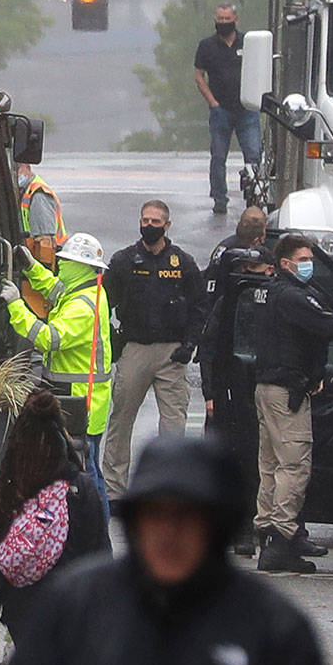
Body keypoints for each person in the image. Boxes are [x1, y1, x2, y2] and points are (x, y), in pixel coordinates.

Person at [0, 435, 333, 665]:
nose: (169, 533)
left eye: (186, 518)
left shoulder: (273, 629)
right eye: (155, 516)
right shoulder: (80, 603)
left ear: (217, 526)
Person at [0, 390, 109, 650]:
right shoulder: (79, 488)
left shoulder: (6, 489)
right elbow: (100, 552)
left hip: (23, 608)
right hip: (71, 606)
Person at [254, 234, 333, 573]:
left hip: (271, 388)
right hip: (286, 392)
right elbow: (327, 325)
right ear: (285, 263)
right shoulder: (293, 296)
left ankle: (273, 531)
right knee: (294, 467)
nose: (308, 263)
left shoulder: (275, 290)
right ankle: (282, 538)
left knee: (271, 465)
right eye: (303, 258)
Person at [2, 232, 114, 517]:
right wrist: (30, 267)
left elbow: (48, 338)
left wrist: (16, 305)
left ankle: (99, 534)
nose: (61, 264)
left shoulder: (82, 307)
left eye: (67, 260)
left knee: (88, 476)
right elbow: (55, 289)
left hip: (81, 402)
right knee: (89, 471)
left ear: (82, 266)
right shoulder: (86, 290)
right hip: (82, 399)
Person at [100, 200, 204, 505]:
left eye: (155, 221)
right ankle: (114, 492)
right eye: (144, 220)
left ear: (167, 226)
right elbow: (102, 305)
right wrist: (113, 341)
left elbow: (200, 308)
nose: (148, 225)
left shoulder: (182, 263)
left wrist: (189, 345)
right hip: (135, 349)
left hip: (172, 354)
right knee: (120, 422)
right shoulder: (123, 261)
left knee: (174, 425)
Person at [199, 244, 274, 557]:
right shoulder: (230, 302)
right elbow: (210, 347)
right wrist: (211, 393)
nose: (251, 276)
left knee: (258, 463)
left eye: (255, 270)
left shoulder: (274, 300)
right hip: (232, 392)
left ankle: (254, 527)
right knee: (230, 462)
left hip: (262, 388)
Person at [194, 3, 261, 215]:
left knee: (254, 155)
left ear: (236, 20)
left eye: (227, 19)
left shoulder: (248, 43)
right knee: (218, 157)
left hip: (247, 108)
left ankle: (256, 196)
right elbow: (199, 76)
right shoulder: (206, 45)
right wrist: (212, 102)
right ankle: (219, 199)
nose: (223, 23)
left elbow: (261, 70)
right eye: (220, 19)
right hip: (220, 109)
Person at [16, 163, 67, 244]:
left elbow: (45, 242)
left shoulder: (38, 195)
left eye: (16, 168)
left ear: (27, 168)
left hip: (49, 254)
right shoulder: (22, 191)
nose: (13, 173)